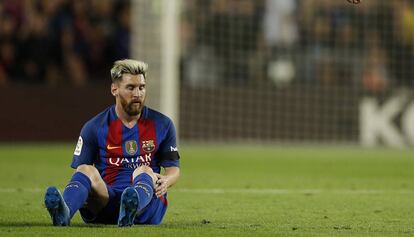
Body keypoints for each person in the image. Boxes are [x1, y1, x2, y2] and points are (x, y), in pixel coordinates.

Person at [44, 59, 180, 227]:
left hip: (147, 205)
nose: (137, 93)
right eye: (130, 87)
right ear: (114, 89)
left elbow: (174, 170)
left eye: (141, 87)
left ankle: (132, 206)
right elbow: (82, 174)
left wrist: (166, 181)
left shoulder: (163, 124)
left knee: (144, 170)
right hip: (106, 201)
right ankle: (64, 212)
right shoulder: (94, 127)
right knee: (85, 169)